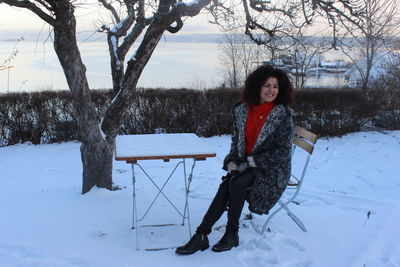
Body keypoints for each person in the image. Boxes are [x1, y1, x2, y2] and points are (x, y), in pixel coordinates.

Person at [175, 65, 295, 255]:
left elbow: (283, 152)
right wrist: (232, 161)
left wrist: (253, 162)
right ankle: (202, 234)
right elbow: (236, 141)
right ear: (257, 87)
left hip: (271, 170)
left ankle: (230, 232)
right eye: (267, 85)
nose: (271, 90)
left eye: (275, 86)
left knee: (236, 183)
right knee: (229, 184)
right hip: (246, 165)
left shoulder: (283, 116)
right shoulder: (242, 110)